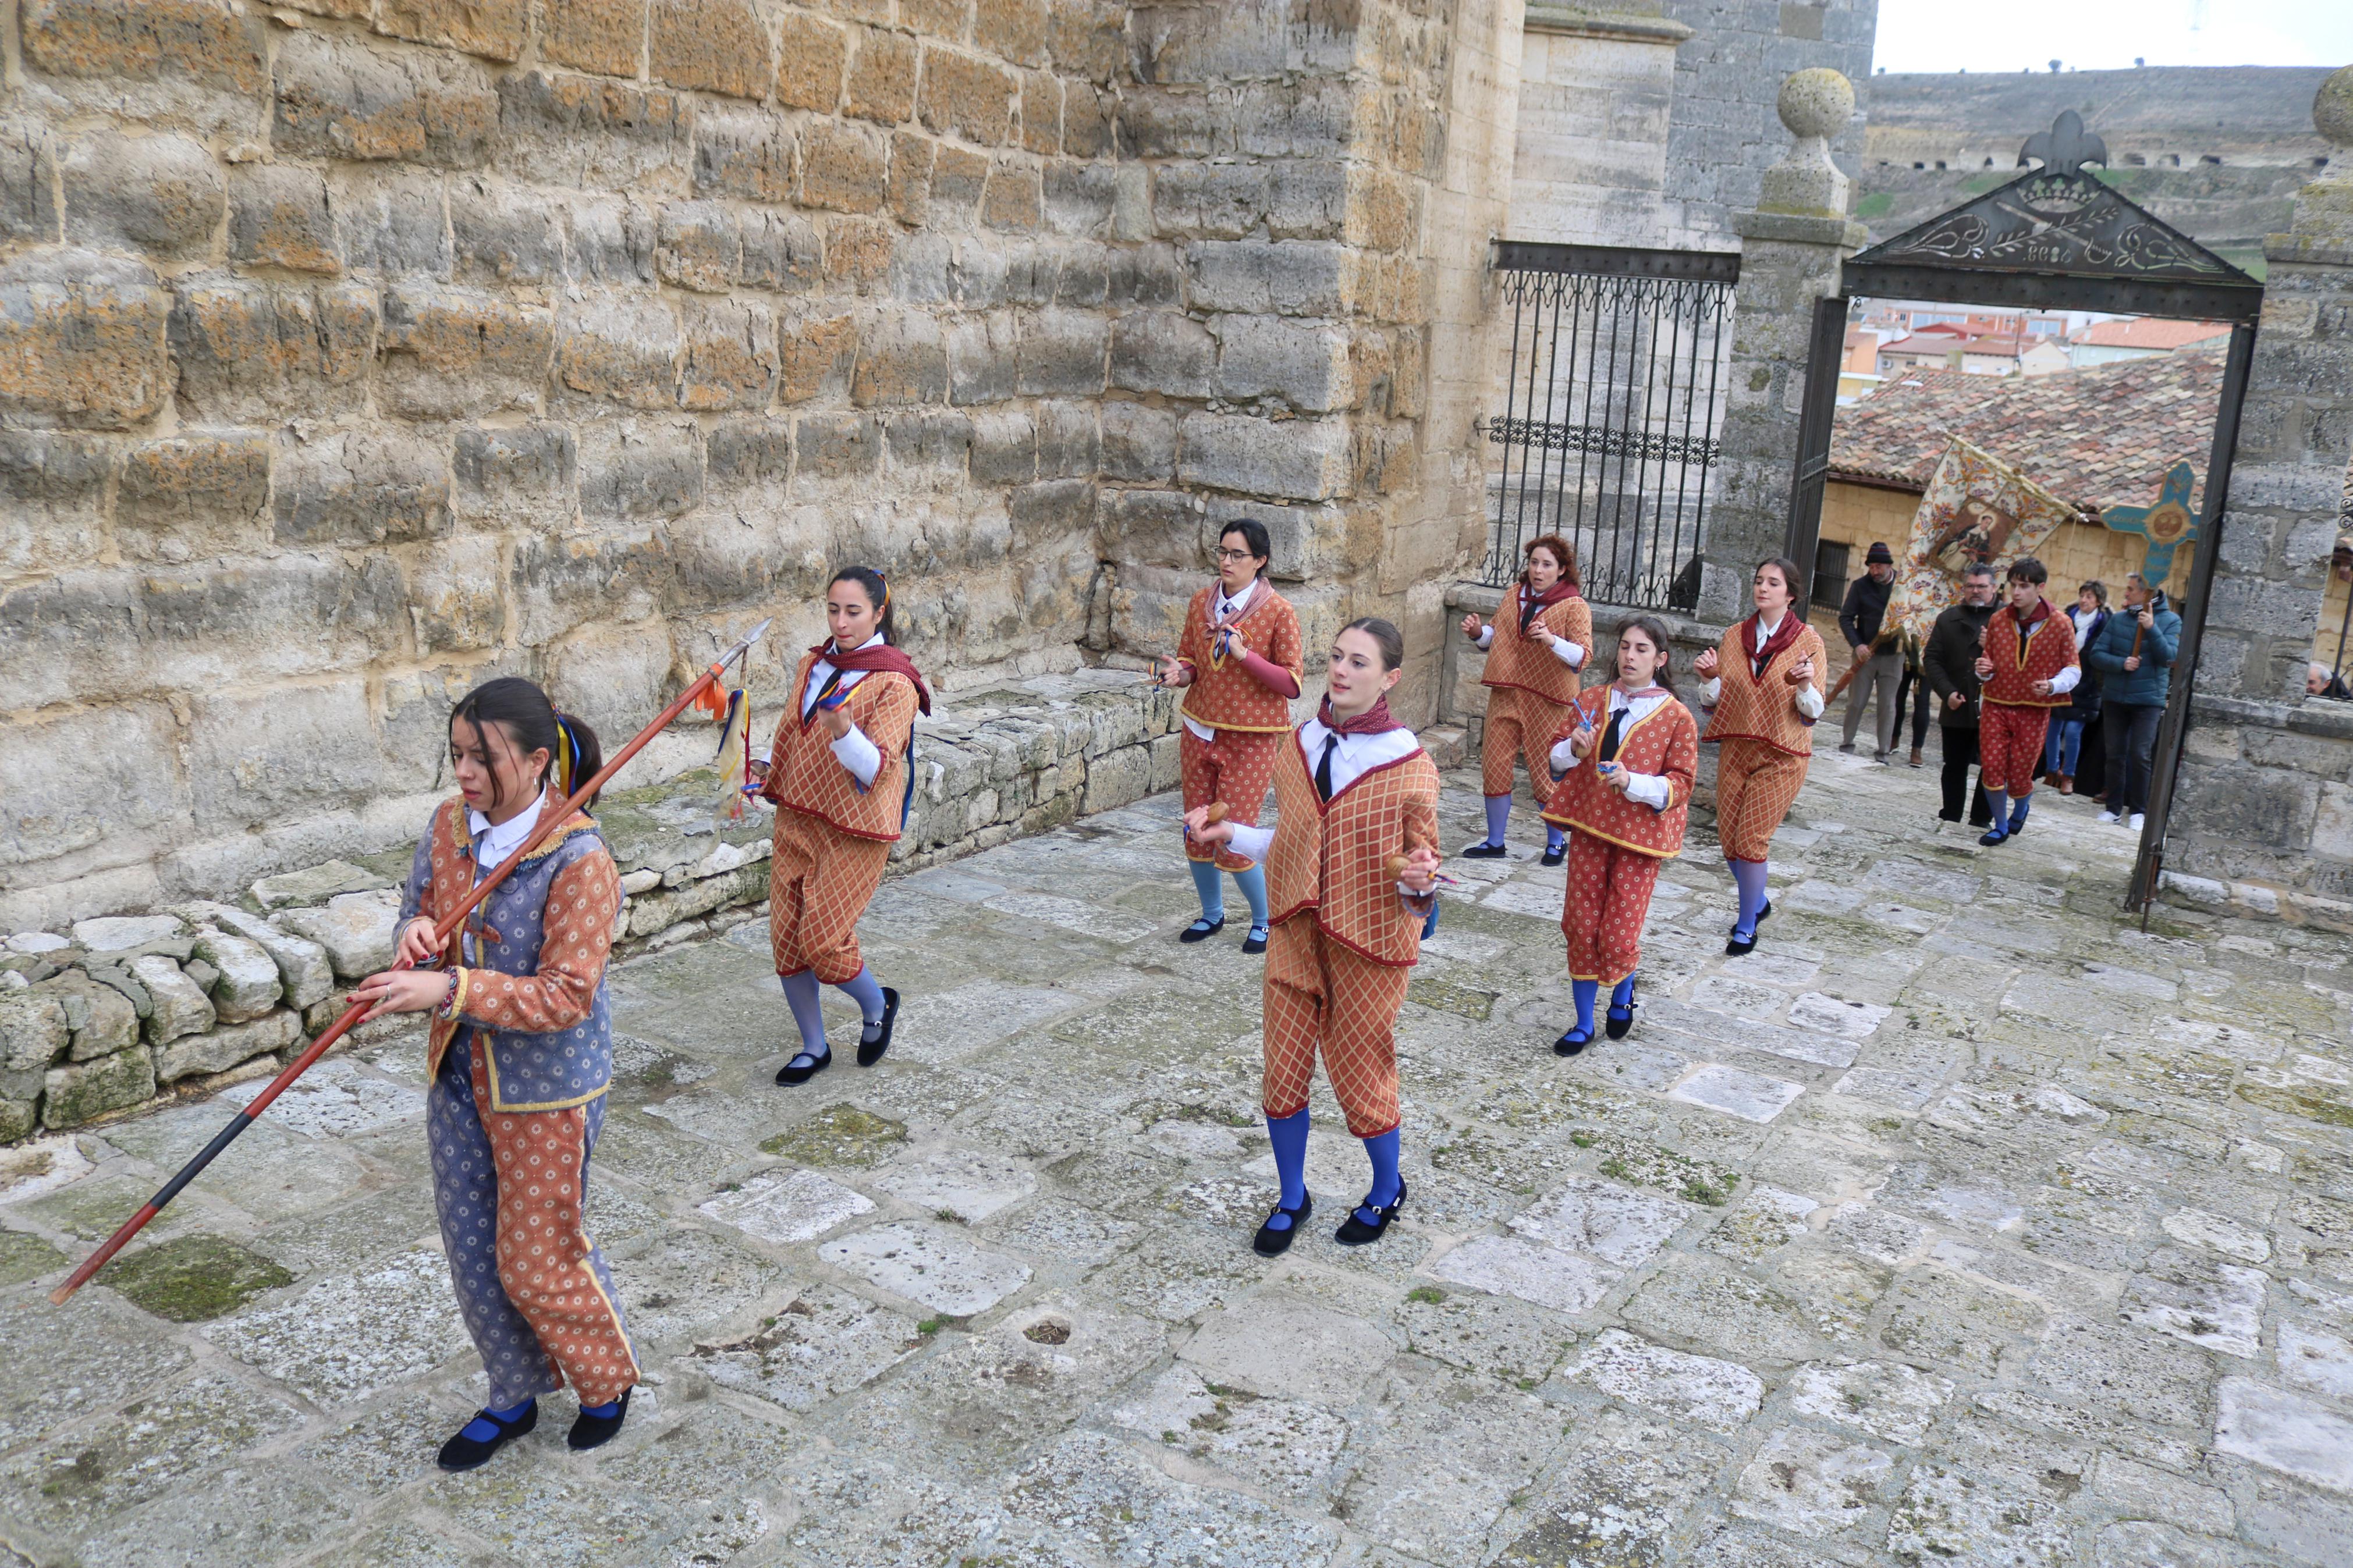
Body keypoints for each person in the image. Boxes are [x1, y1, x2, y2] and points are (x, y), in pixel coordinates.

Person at [353, 677, 637, 1470]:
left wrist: (448, 987)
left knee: (537, 1252)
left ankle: (604, 1380)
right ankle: (510, 1393)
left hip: (548, 1086)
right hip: (458, 1073)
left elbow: (566, 994)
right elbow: (422, 900)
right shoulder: (449, 827)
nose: (465, 773)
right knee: (474, 1249)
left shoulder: (580, 858)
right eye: (456, 754)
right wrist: (415, 931)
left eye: (483, 757)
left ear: (539, 760)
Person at [1185, 619, 1440, 1258]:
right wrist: (1231, 836)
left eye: (1360, 662)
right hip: (1295, 930)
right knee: (1283, 1070)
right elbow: (1294, 843)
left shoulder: (1410, 766)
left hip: (1368, 943)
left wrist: (1419, 882)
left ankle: (1386, 1187)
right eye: (1337, 657)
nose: (1343, 671)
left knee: (1360, 1075)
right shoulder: (1297, 744)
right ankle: (1291, 1194)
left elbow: (1421, 874)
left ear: (1389, 678)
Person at [753, 568, 930, 1084]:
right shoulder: (815, 661)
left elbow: (876, 768)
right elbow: (792, 726)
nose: (841, 621)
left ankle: (877, 1005)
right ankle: (813, 1046)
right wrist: (765, 765)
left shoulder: (896, 682)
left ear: (878, 613)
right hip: (798, 814)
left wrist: (844, 730)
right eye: (833, 609)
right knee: (786, 939)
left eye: (853, 611)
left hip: (854, 828)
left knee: (824, 943)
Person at [1540, 616, 1698, 1055]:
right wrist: (1572, 750)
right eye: (1625, 646)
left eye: (1641, 649)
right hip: (1591, 824)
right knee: (1579, 921)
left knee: (1618, 932)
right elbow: (1552, 760)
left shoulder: (1676, 718)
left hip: (1638, 837)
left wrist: (1633, 782)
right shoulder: (1591, 700)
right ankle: (1583, 1021)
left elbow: (1681, 784)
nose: (1629, 656)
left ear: (1660, 659)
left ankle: (1624, 989)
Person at [1159, 520, 1305, 952]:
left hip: (1252, 740)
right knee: (1197, 829)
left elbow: (1292, 684)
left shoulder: (1279, 611)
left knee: (1233, 832)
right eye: (1221, 551)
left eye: (1237, 554)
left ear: (1259, 561)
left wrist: (1245, 656)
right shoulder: (1201, 602)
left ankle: (1264, 919)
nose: (1225, 561)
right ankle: (1211, 913)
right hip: (1199, 729)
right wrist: (1177, 673)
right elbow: (1192, 660)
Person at [1697, 557, 1826, 956]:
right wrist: (1708, 679)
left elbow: (1814, 711)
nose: (1762, 588)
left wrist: (1804, 683)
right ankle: (1758, 899)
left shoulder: (1809, 642)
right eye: (1758, 581)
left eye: (1773, 582)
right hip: (1736, 747)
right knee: (1728, 841)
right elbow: (1715, 700)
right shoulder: (1734, 636)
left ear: (1790, 593)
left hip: (1781, 753)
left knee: (1751, 840)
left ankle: (1746, 924)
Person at [1460, 534, 1592, 866]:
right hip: (1507, 691)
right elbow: (1498, 635)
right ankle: (1495, 840)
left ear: (1562, 570)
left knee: (1544, 768)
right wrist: (1478, 634)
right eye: (1534, 562)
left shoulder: (1575, 605)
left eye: (1547, 564)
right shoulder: (1513, 595)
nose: (1538, 570)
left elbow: (1582, 655)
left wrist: (1551, 640)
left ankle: (1555, 841)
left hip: (1548, 698)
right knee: (1495, 764)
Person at [1969, 556, 2081, 847]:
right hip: (1996, 702)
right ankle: (2001, 825)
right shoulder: (1998, 620)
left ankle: (2021, 810)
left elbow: (2073, 667)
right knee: (1992, 767)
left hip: (2034, 709)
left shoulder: (2061, 624)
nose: (2016, 592)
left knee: (2020, 773)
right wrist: (1983, 671)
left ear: (2040, 588)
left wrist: (2054, 685)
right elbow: (1988, 663)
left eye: (2024, 586)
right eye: (2013, 585)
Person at [2085, 573, 2180, 831]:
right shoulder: (2117, 620)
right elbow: (2097, 655)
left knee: (2139, 754)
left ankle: (2138, 810)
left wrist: (2152, 628)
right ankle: (2113, 809)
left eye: (2131, 590)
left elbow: (2169, 658)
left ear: (2146, 593)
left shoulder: (2171, 621)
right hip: (2116, 698)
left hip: (2148, 700)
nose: (2126, 594)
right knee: (2114, 755)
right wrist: (2120, 663)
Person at [1923, 563, 1999, 829]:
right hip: (1957, 704)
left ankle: (1981, 819)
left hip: (1996, 708)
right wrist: (1947, 692)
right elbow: (1932, 659)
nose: (1975, 591)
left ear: (1995, 588)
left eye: (1982, 586)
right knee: (1954, 765)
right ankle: (1952, 816)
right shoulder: (1948, 619)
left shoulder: (2006, 620)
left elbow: (2021, 663)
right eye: (1970, 586)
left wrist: (1994, 646)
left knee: (1991, 768)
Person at [1837, 541, 1902, 763]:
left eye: (1878, 567)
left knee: (1887, 704)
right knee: (1856, 701)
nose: (1875, 571)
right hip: (1865, 652)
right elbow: (1846, 618)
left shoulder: (1904, 585)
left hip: (1894, 656)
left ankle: (1883, 751)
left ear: (1888, 566)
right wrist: (1857, 645)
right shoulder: (1860, 586)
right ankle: (1847, 743)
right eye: (1871, 567)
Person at [2046, 581, 2109, 794]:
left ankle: (2069, 776)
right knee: (2052, 729)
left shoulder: (2105, 625)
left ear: (2099, 601)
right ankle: (2051, 770)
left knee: (2073, 732)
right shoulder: (2066, 619)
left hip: (2087, 688)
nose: (2084, 600)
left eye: (2090, 597)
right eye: (2083, 595)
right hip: (2062, 682)